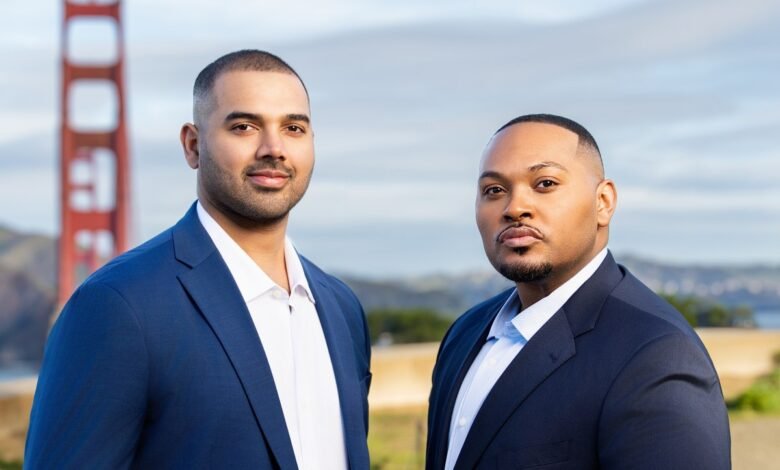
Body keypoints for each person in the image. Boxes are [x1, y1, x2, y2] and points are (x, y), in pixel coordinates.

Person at [25, 50, 371, 469]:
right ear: (193, 145)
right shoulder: (117, 305)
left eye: (293, 128)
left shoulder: (342, 310)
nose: (274, 148)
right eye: (244, 127)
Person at [426, 114, 730, 470]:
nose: (514, 208)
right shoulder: (465, 333)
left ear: (603, 202)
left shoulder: (655, 355)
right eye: (494, 190)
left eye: (545, 183)